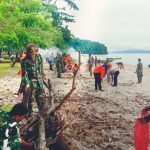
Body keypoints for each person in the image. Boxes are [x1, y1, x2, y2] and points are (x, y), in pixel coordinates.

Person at [20, 44, 47, 116]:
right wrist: (27, 83)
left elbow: (40, 67)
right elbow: (24, 74)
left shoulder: (38, 57)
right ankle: (29, 114)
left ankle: (43, 113)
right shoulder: (25, 61)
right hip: (31, 82)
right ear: (28, 53)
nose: (32, 55)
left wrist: (43, 74)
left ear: (35, 52)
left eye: (33, 53)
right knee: (30, 100)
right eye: (30, 53)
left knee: (41, 98)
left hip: (39, 81)